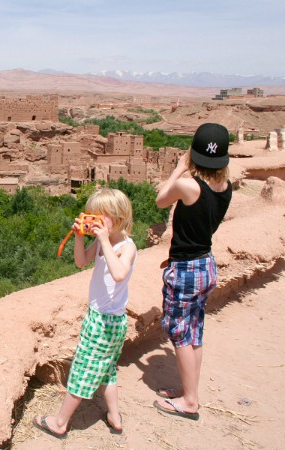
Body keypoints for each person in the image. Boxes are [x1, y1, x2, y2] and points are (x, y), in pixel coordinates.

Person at [33, 188, 137, 439]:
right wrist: (80, 236)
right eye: (91, 216)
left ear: (118, 217)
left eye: (99, 217)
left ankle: (59, 422)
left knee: (83, 370)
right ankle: (114, 416)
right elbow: (81, 262)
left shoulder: (126, 246)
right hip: (102, 318)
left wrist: (103, 241)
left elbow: (119, 273)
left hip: (105, 321)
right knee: (107, 369)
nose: (94, 222)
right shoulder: (103, 242)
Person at [153, 122, 232, 420]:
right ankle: (190, 390)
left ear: (193, 153)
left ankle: (189, 402)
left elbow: (161, 200)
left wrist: (178, 167)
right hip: (205, 263)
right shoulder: (225, 187)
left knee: (179, 332)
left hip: (187, 269)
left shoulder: (188, 185)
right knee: (194, 331)